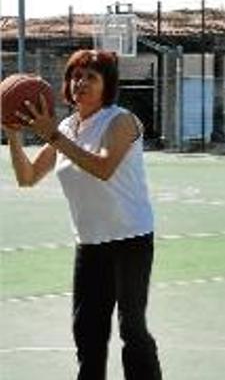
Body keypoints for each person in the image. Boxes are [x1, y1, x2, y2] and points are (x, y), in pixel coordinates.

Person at [4, 49, 162, 379]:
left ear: (107, 85)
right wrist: (14, 135)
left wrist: (53, 136)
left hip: (129, 239)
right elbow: (28, 177)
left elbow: (103, 167)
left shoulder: (121, 120)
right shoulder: (67, 126)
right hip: (90, 243)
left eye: (91, 77)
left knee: (132, 329)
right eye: (76, 76)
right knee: (87, 333)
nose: (81, 83)